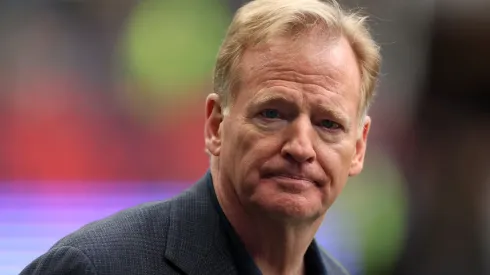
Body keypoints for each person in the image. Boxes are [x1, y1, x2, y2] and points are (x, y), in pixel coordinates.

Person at [20, 0, 380, 274]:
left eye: (329, 124)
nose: (301, 147)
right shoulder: (96, 266)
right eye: (272, 114)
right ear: (215, 126)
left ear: (359, 147)